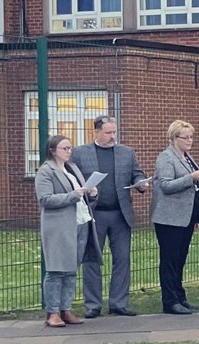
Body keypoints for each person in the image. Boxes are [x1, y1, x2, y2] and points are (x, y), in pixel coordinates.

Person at [70, 115, 148, 318]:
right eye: (108, 132)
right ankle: (93, 305)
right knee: (92, 259)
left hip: (120, 214)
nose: (113, 136)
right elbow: (70, 179)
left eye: (114, 132)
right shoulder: (79, 153)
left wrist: (140, 182)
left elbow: (136, 173)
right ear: (96, 132)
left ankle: (118, 303)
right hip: (94, 214)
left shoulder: (126, 152)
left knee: (122, 259)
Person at [36, 134, 100, 328]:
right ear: (52, 150)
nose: (69, 151)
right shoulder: (46, 171)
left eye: (70, 148)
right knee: (56, 270)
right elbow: (45, 200)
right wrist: (73, 195)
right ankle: (52, 312)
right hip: (59, 227)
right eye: (65, 148)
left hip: (80, 223)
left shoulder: (73, 168)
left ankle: (66, 309)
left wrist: (92, 193)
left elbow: (82, 197)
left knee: (71, 269)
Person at [150, 120, 199, 315]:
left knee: (180, 259)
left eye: (192, 136)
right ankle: (170, 301)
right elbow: (166, 185)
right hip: (170, 218)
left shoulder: (186, 156)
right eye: (186, 137)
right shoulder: (166, 158)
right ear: (174, 138)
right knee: (170, 260)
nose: (190, 140)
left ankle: (180, 296)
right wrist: (191, 178)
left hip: (186, 217)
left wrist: (197, 216)